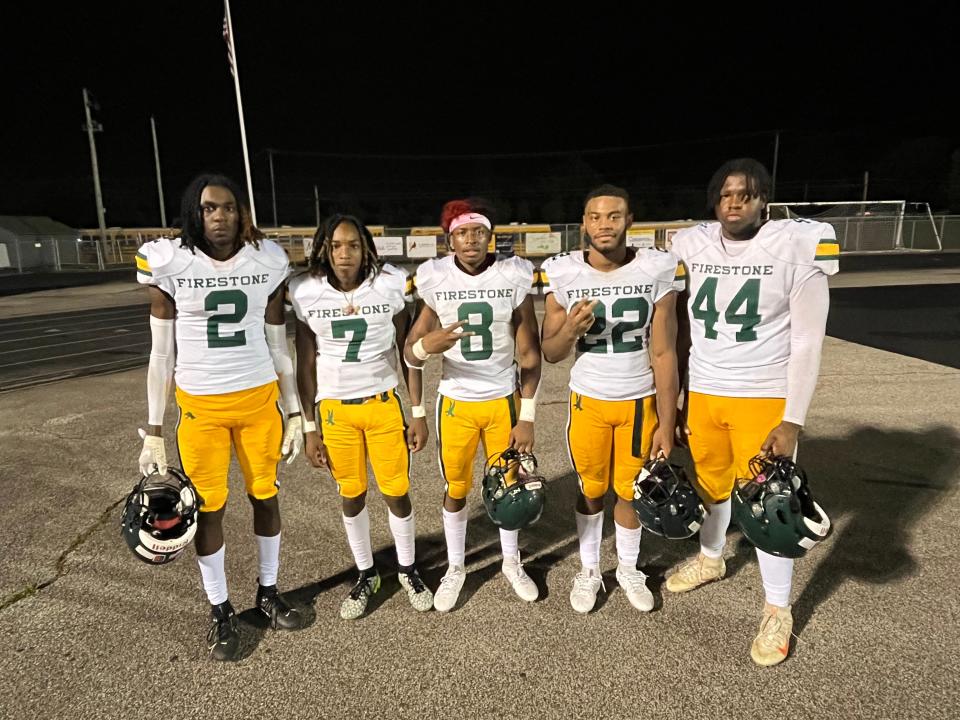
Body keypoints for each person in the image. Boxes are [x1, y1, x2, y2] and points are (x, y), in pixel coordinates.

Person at [667, 158, 839, 666]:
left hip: (763, 396)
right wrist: (678, 397)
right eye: (725, 194)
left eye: (745, 193)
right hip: (704, 391)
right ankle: (711, 558)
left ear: (765, 199)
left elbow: (808, 341)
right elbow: (677, 326)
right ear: (713, 201)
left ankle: (777, 609)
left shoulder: (796, 245)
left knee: (770, 506)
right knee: (712, 485)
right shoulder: (690, 243)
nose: (734, 202)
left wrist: (793, 418)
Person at [136, 173, 304, 661]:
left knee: (266, 498)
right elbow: (160, 354)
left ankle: (268, 592)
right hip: (202, 407)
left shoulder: (267, 259)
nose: (220, 216)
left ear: (241, 212)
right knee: (208, 509)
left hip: (258, 402)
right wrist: (153, 431)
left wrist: (294, 411)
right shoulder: (170, 262)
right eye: (209, 208)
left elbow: (279, 345)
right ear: (194, 212)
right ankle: (220, 608)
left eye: (228, 207)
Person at [540, 184, 682, 614]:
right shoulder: (564, 272)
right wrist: (570, 330)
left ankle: (627, 567)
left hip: (639, 399)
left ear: (630, 220)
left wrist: (667, 418)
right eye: (596, 217)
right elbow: (551, 351)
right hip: (589, 399)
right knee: (591, 489)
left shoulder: (656, 269)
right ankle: (588, 570)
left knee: (629, 490)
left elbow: (664, 351)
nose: (605, 224)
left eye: (615, 216)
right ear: (583, 223)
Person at [290, 213, 432, 619]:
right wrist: (309, 426)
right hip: (335, 411)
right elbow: (305, 365)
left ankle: (407, 568)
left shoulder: (388, 285)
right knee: (350, 495)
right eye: (336, 246)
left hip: (383, 403)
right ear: (324, 249)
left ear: (365, 247)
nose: (344, 253)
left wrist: (417, 411)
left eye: (352, 245)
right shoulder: (306, 292)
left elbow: (409, 353)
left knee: (396, 492)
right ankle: (366, 573)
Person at [403, 198, 542, 612]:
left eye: (478, 232)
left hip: (502, 400)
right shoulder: (435, 279)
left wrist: (529, 415)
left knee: (511, 485)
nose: (471, 240)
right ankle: (457, 566)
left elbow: (531, 354)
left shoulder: (513, 276)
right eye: (462, 232)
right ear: (450, 239)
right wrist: (427, 348)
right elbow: (410, 354)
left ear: (489, 236)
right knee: (456, 489)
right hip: (456, 402)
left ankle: (512, 561)